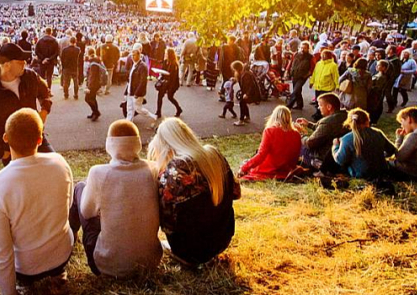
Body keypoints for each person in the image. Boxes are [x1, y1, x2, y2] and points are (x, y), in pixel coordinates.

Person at [0, 108, 74, 295]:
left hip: (25, 270)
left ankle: (25, 287)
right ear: (40, 139)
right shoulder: (60, 163)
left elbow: (1, 251)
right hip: (62, 253)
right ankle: (59, 274)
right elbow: (68, 207)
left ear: (6, 138)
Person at [70, 119, 161, 277]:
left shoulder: (98, 173)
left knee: (79, 188)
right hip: (151, 262)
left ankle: (70, 236)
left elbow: (87, 213)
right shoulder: (154, 169)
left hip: (107, 265)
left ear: (110, 144)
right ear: (138, 143)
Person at [148, 117, 240, 267]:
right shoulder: (214, 155)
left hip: (189, 250)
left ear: (165, 145)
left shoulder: (176, 168)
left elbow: (166, 221)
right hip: (223, 239)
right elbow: (236, 193)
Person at [0, 43, 56, 165]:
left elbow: (45, 93)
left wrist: (44, 111)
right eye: (20, 61)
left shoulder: (30, 76)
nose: (25, 63)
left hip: (36, 138)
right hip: (11, 146)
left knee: (54, 167)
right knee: (22, 182)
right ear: (7, 65)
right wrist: (0, 151)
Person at [238, 106, 302, 181]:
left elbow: (261, 155)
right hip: (287, 171)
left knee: (245, 163)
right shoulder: (296, 134)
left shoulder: (270, 131)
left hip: (269, 169)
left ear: (274, 117)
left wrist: (244, 168)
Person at [332, 108, 397, 180]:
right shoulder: (378, 133)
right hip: (381, 171)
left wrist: (336, 146)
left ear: (349, 123)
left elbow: (340, 160)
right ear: (368, 120)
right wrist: (379, 155)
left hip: (360, 174)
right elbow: (391, 150)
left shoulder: (347, 138)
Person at [296, 92, 347, 174]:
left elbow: (310, 143)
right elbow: (326, 130)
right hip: (341, 156)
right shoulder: (345, 116)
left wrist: (300, 135)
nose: (319, 108)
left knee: (302, 146)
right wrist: (309, 124)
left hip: (325, 158)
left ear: (329, 107)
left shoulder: (327, 122)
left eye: (320, 105)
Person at [123, 45, 157, 127]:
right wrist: (126, 91)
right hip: (130, 90)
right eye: (132, 55)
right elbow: (130, 79)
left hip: (136, 92)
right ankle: (129, 122)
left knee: (138, 108)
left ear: (139, 55)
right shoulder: (134, 65)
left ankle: (153, 117)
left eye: (134, 55)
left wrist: (137, 93)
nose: (132, 57)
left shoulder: (142, 66)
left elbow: (142, 82)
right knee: (129, 108)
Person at [310, 49, 340, 120]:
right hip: (318, 86)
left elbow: (336, 76)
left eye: (325, 55)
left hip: (327, 88)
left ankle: (322, 115)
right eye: (322, 55)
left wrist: (337, 86)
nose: (323, 56)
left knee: (324, 103)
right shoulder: (318, 63)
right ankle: (318, 113)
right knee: (318, 102)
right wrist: (311, 82)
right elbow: (314, 73)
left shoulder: (333, 65)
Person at [155, 47, 182, 118]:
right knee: (160, 96)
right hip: (165, 82)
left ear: (170, 55)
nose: (165, 55)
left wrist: (170, 88)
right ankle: (158, 112)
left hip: (172, 83)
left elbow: (174, 78)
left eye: (166, 53)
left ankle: (179, 109)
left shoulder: (174, 64)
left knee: (170, 97)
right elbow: (163, 71)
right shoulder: (165, 62)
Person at [286, 41, 312, 110]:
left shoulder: (310, 57)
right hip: (294, 75)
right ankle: (300, 105)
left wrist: (308, 75)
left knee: (295, 91)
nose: (303, 49)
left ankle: (288, 106)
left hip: (303, 76)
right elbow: (290, 63)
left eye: (305, 48)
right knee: (298, 91)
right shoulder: (296, 54)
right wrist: (287, 71)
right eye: (301, 48)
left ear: (308, 49)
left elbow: (312, 67)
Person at [232, 60, 259, 127]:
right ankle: (247, 117)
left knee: (242, 103)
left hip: (250, 92)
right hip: (248, 92)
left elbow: (250, 85)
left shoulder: (245, 74)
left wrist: (247, 94)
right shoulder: (244, 73)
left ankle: (241, 120)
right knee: (243, 103)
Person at [83, 47, 105, 121]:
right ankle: (94, 112)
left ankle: (96, 112)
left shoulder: (93, 63)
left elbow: (92, 76)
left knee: (87, 99)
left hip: (93, 84)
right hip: (96, 83)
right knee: (93, 98)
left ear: (88, 54)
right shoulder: (96, 61)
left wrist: (89, 87)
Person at [368, 60, 390, 124]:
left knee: (374, 109)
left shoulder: (381, 77)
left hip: (375, 96)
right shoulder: (378, 74)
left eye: (379, 65)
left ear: (384, 67)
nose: (376, 66)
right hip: (374, 96)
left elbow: (377, 88)